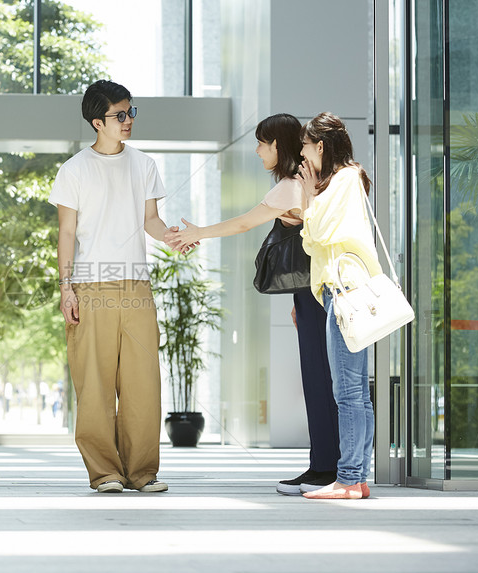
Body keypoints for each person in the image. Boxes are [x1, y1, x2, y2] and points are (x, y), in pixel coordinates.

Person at [166, 113, 340, 495]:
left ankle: (325, 468)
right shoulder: (308, 183)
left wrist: (197, 232)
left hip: (317, 293)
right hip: (317, 289)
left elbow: (245, 223)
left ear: (278, 144)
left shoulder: (291, 187)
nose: (258, 149)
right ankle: (325, 464)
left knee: (317, 378)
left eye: (262, 142)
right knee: (322, 378)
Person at [48, 79, 177, 494]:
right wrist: (66, 288)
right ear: (96, 122)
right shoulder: (73, 170)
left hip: (137, 286)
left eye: (131, 112)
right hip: (90, 286)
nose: (128, 121)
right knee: (95, 384)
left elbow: (151, 221)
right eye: (119, 115)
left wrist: (173, 237)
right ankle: (104, 472)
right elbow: (66, 234)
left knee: (143, 384)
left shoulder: (144, 165)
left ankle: (142, 472)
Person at [297, 112, 381, 500]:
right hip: (349, 288)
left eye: (304, 145)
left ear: (320, 146)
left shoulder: (343, 179)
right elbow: (315, 238)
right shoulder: (347, 179)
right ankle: (358, 477)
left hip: (344, 289)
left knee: (347, 391)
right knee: (357, 391)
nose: (302, 153)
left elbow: (314, 234)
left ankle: (348, 479)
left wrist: (308, 195)